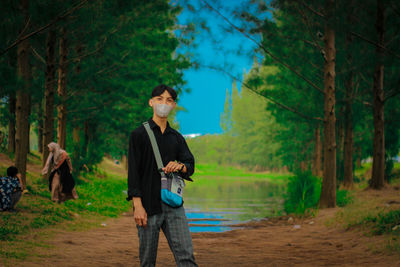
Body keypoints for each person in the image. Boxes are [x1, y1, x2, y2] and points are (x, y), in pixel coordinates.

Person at [127, 84, 197, 267]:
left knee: (186, 257)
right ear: (151, 102)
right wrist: (137, 205)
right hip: (148, 205)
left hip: (173, 203)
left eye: (169, 100)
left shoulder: (176, 137)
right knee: (148, 261)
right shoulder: (138, 135)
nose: (163, 103)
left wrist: (180, 166)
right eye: (159, 99)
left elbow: (190, 165)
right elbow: (133, 172)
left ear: (173, 105)